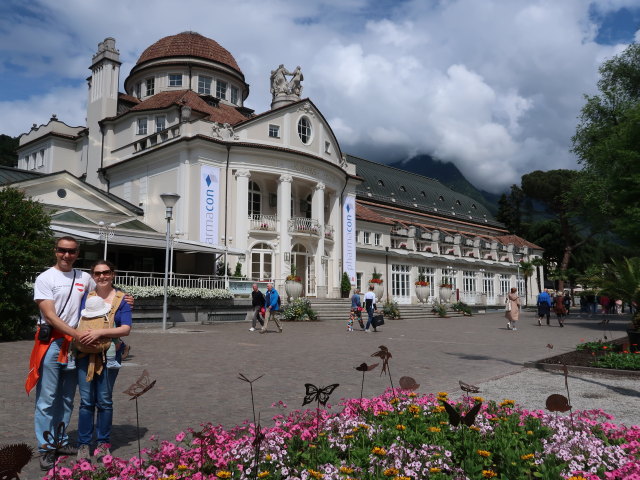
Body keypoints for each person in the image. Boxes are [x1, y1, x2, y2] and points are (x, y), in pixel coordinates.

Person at [27, 236, 93, 470]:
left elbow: (102, 299)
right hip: (54, 344)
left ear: (77, 253)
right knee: (47, 399)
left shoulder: (84, 278)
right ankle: (45, 447)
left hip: (76, 347)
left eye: (72, 251)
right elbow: (50, 316)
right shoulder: (46, 278)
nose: (67, 255)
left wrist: (125, 299)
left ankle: (60, 441)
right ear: (55, 251)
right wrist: (76, 335)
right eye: (62, 251)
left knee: (67, 398)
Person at [75, 260, 132, 461]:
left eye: (106, 272)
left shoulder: (121, 299)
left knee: (105, 401)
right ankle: (83, 445)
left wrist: (100, 332)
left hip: (109, 356)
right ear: (92, 276)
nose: (102, 276)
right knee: (86, 402)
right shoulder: (86, 297)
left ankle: (102, 444)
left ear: (113, 274)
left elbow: (125, 328)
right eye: (97, 273)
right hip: (85, 355)